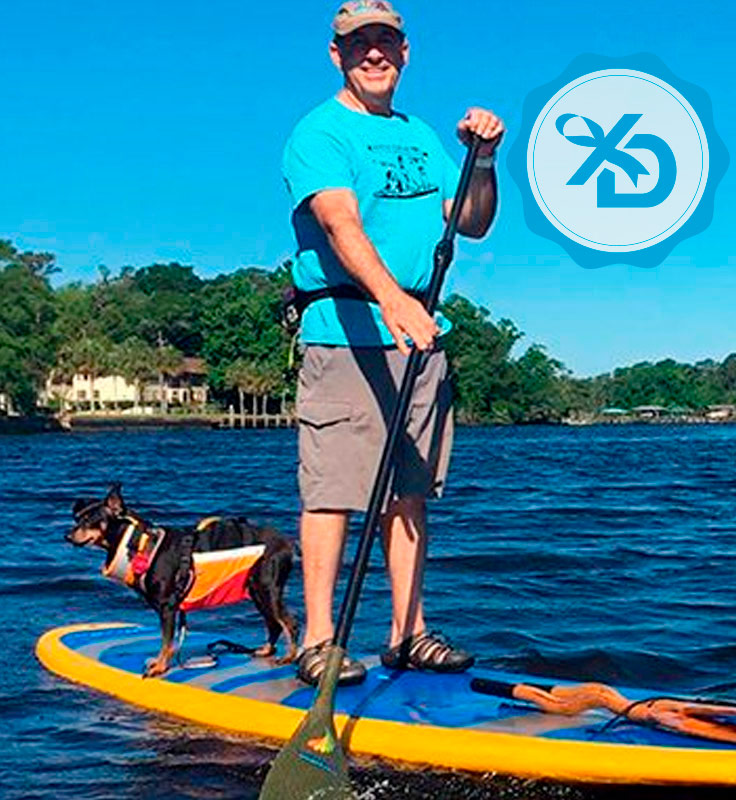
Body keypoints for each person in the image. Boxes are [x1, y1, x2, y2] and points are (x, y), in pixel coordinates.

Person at [281, 0, 502, 685]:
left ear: (405, 53)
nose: (372, 53)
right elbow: (342, 227)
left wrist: (484, 162)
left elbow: (471, 222)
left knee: (409, 493)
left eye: (385, 42)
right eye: (358, 44)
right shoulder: (318, 134)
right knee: (334, 491)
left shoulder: (424, 137)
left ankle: (409, 632)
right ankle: (318, 640)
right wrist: (392, 298)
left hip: (420, 337)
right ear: (337, 54)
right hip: (346, 333)